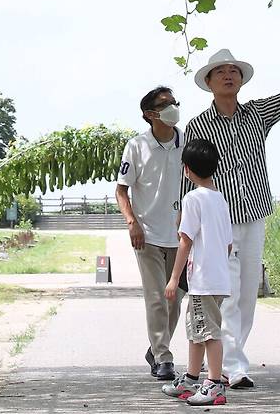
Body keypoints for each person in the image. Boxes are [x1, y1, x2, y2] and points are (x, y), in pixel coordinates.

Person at [181, 36, 280, 388]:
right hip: (219, 220)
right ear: (209, 83)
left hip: (255, 213)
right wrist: (186, 229)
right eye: (221, 72)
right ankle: (234, 365)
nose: (229, 75)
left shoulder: (258, 114)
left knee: (247, 295)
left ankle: (233, 359)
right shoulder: (197, 125)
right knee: (226, 290)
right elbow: (189, 175)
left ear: (241, 80)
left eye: (234, 71)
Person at [115, 86, 185, 381]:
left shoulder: (187, 142)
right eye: (165, 103)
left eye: (174, 102)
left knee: (175, 298)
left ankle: (156, 347)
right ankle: (163, 357)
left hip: (182, 236)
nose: (172, 107)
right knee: (157, 297)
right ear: (150, 114)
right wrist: (132, 222)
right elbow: (121, 190)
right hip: (147, 234)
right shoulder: (136, 146)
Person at [163, 138, 233, 406]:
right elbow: (227, 244)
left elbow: (185, 240)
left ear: (186, 170)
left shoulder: (192, 199)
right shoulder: (220, 200)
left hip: (203, 281)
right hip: (217, 279)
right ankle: (191, 378)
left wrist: (173, 278)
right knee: (197, 330)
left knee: (209, 333)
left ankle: (214, 384)